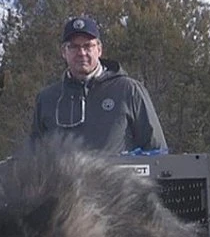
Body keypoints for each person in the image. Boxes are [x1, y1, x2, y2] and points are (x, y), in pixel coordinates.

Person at [30, 15, 167, 154]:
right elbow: (34, 157)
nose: (81, 53)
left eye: (88, 46)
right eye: (74, 47)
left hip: (116, 176)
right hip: (63, 176)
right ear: (64, 52)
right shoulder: (46, 99)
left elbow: (157, 151)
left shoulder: (129, 90)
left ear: (99, 49)